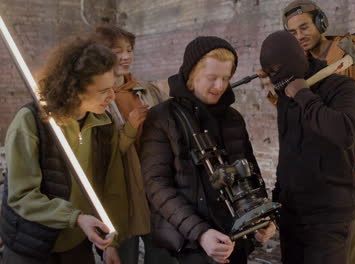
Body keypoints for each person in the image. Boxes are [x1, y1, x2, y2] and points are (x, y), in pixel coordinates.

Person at [140, 36, 276, 264]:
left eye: (225, 78)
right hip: (183, 249)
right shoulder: (162, 117)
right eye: (211, 78)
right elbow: (156, 185)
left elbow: (249, 172)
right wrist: (200, 233)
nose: (220, 86)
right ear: (192, 74)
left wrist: (260, 219)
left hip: (232, 242)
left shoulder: (233, 118)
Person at [0, 35, 131, 263]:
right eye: (103, 91)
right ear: (75, 90)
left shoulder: (103, 125)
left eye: (113, 87)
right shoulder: (31, 122)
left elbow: (113, 188)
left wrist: (112, 242)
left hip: (77, 245)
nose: (112, 97)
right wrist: (75, 217)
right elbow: (22, 196)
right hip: (31, 245)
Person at [282, 1, 355, 263]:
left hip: (353, 171)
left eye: (304, 26)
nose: (300, 36)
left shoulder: (346, 53)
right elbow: (303, 115)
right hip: (322, 177)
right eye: (292, 32)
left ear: (320, 22)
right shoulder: (300, 64)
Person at [259, 31, 355, 264]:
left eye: (279, 68)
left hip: (329, 216)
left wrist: (304, 95)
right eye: (271, 72)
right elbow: (287, 156)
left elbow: (344, 133)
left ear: (296, 58)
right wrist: (276, 206)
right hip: (291, 214)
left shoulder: (342, 87)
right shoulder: (285, 96)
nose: (277, 76)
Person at [93, 24, 174, 264]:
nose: (126, 56)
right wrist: (130, 128)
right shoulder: (96, 98)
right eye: (117, 51)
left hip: (154, 188)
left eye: (129, 49)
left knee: (162, 255)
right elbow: (99, 157)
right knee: (122, 256)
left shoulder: (146, 91)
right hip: (120, 194)